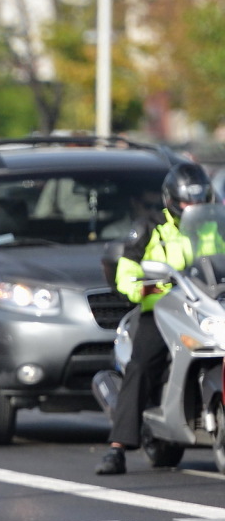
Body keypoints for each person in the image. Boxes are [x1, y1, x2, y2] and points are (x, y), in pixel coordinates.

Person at [96, 162, 214, 475]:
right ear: (171, 200)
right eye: (188, 202)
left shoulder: (214, 228)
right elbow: (127, 269)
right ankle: (117, 448)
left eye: (199, 201)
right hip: (163, 309)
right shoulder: (150, 227)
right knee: (142, 364)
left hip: (208, 304)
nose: (193, 208)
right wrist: (142, 288)